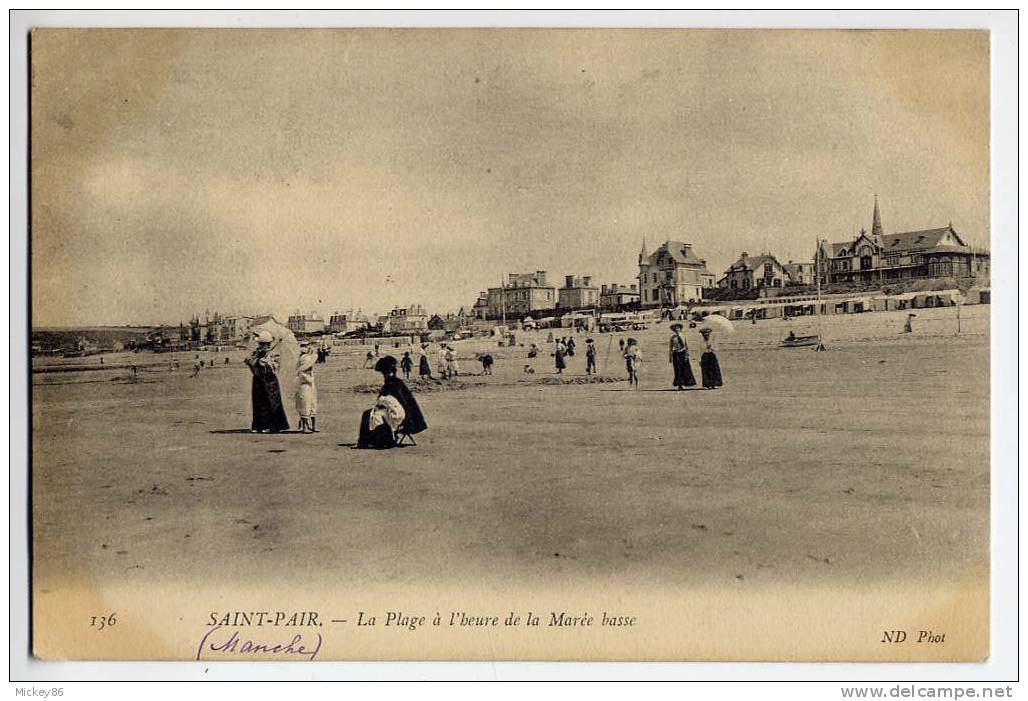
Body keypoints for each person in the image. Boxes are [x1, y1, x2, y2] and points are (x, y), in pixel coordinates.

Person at [356, 355, 428, 449]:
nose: (384, 375)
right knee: (370, 414)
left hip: (399, 414)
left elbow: (396, 401)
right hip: (396, 411)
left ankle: (377, 440)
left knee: (370, 415)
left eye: (384, 373)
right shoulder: (394, 382)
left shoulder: (393, 383)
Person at [244, 332, 290, 433]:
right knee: (258, 402)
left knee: (271, 402)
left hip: (270, 380)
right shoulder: (256, 353)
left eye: (262, 344)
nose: (260, 346)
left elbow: (276, 367)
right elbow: (250, 364)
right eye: (260, 344)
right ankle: (259, 425)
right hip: (258, 380)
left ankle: (274, 426)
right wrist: (254, 360)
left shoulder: (274, 353)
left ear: (268, 344)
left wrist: (267, 363)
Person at [296, 344, 319, 433]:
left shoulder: (309, 373)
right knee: (305, 406)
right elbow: (309, 380)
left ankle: (313, 426)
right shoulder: (302, 374)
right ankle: (305, 427)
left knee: (313, 405)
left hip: (311, 388)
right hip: (304, 389)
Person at [668, 323, 697, 391]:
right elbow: (670, 347)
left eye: (678, 328)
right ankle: (680, 385)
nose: (677, 330)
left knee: (685, 369)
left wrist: (687, 354)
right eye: (675, 329)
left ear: (680, 329)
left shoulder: (683, 336)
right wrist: (670, 356)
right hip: (676, 354)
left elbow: (686, 346)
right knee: (678, 369)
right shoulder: (672, 337)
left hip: (683, 353)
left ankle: (687, 383)